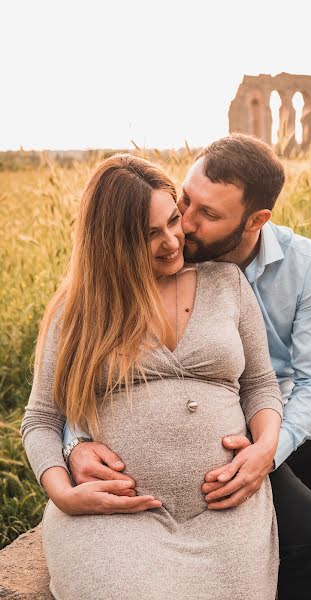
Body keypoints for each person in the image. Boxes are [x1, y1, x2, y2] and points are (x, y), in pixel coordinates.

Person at [65, 134, 311, 600]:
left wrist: (268, 448)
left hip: (283, 421)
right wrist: (74, 441)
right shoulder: (158, 254)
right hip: (213, 435)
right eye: (187, 200)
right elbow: (82, 367)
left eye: (209, 215)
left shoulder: (306, 266)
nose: (186, 224)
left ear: (256, 220)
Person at [20, 153, 284, 600]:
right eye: (149, 234)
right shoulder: (79, 308)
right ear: (111, 242)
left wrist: (264, 448)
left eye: (173, 221)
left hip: (224, 514)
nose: (172, 242)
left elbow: (261, 385)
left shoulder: (227, 284)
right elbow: (41, 418)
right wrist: (62, 492)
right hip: (116, 519)